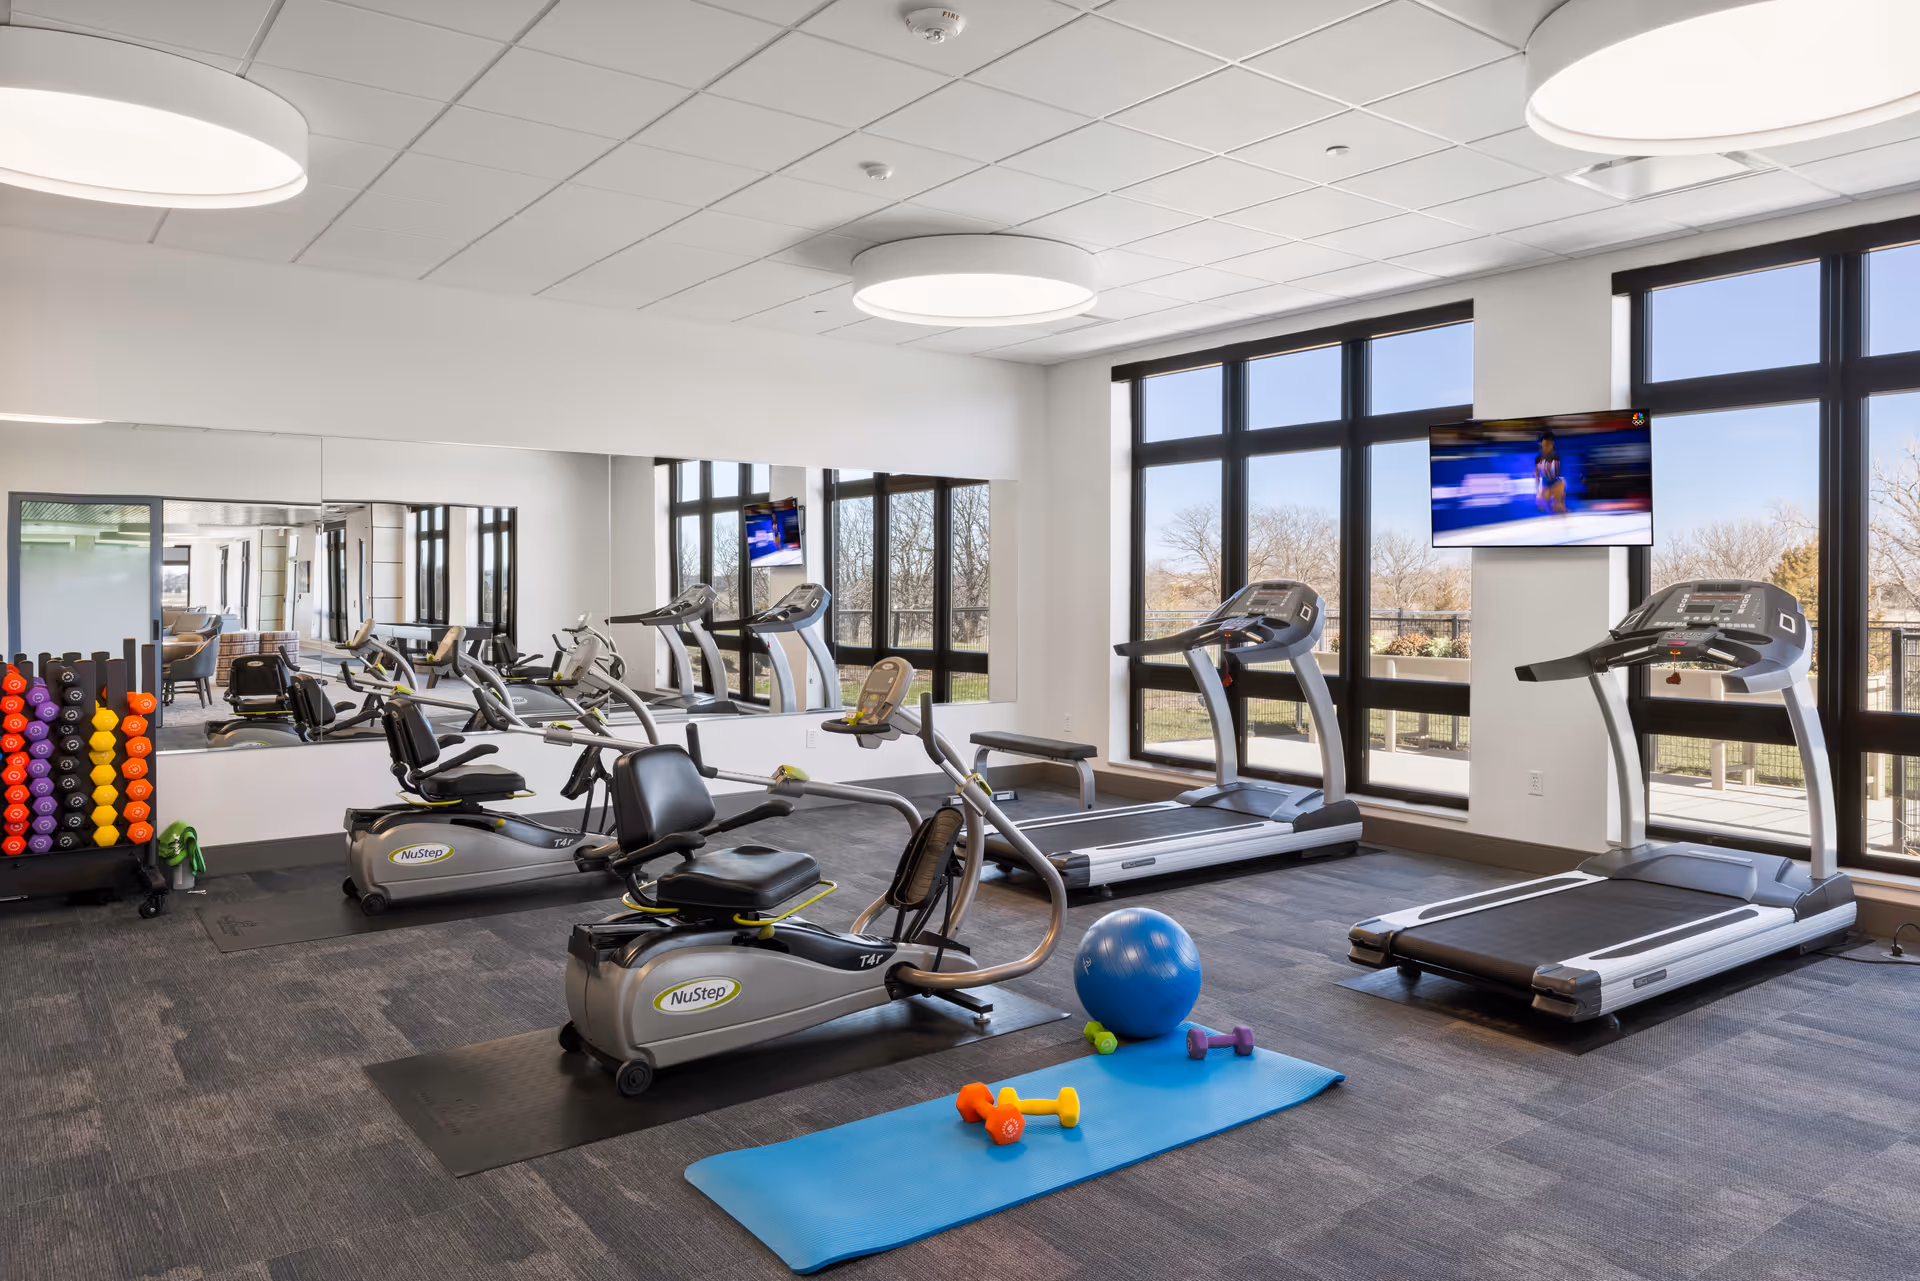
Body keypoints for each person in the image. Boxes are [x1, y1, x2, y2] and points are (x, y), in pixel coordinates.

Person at [1534, 431, 1566, 514]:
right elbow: (1537, 475)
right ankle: (1556, 507)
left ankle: (1560, 507)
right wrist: (1539, 493)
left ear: (1551, 445)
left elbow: (1557, 476)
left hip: (1556, 483)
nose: (1544, 447)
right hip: (1547, 484)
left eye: (1547, 445)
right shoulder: (1538, 459)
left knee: (1559, 505)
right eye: (1543, 445)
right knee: (1552, 505)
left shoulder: (1556, 457)